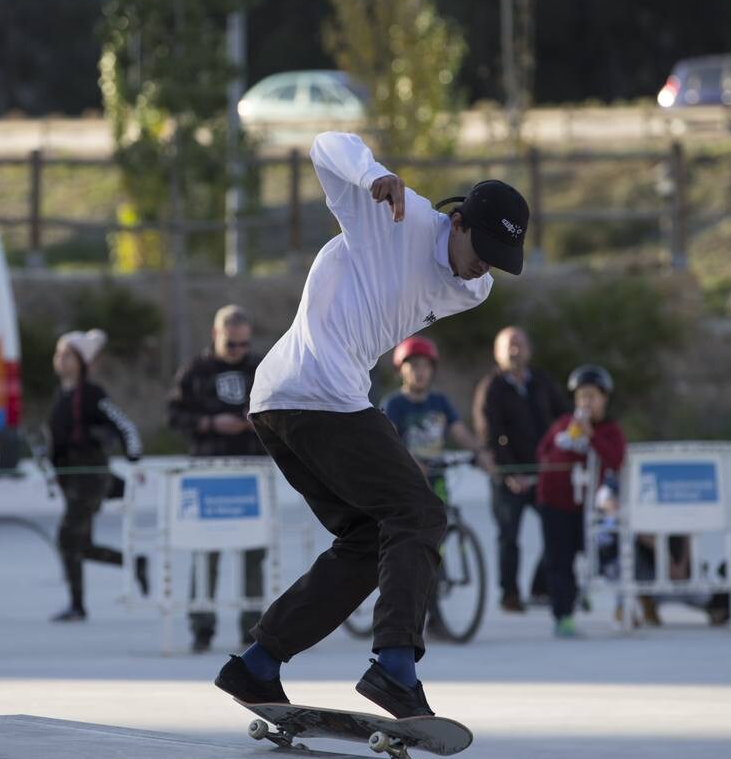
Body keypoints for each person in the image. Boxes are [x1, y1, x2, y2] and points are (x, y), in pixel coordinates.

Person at [215, 130, 530, 719]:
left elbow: (457, 277)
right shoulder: (395, 218)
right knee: (419, 513)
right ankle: (394, 666)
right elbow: (325, 145)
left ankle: (257, 664)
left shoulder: (475, 289)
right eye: (480, 247)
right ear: (456, 221)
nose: (483, 267)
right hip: (318, 391)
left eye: (496, 259)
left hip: (282, 402)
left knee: (368, 539)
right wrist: (370, 175)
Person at [167, 304, 269, 652]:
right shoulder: (195, 370)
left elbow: (281, 408)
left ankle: (251, 624)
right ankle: (202, 625)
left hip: (251, 470)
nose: (238, 352)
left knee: (254, 551)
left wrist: (258, 421)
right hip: (208, 471)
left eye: (243, 344)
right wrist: (211, 423)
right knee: (205, 550)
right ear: (216, 335)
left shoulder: (260, 368)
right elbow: (174, 415)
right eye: (231, 344)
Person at [46, 329, 147, 622]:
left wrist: (135, 461)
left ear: (81, 361)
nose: (61, 360)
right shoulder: (61, 396)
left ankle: (77, 606)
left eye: (67, 354)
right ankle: (135, 563)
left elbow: (125, 426)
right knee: (82, 545)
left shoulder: (92, 394)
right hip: (71, 478)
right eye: (59, 353)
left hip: (90, 478)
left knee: (67, 538)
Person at [473, 327, 570, 612]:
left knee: (558, 529)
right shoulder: (490, 388)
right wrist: (508, 473)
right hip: (509, 479)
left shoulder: (541, 381)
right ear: (497, 352)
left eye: (520, 344)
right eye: (509, 345)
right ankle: (510, 595)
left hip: (543, 475)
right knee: (509, 538)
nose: (515, 350)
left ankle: (541, 587)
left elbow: (563, 418)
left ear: (529, 349)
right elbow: (488, 433)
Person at [535, 364, 626, 638]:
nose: (586, 402)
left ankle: (620, 604)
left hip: (590, 510)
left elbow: (616, 459)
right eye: (581, 396)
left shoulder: (609, 430)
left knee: (603, 559)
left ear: (604, 399)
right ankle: (563, 615)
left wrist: (591, 435)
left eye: (592, 396)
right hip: (554, 505)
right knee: (559, 562)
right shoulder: (563, 424)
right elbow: (543, 452)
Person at [381, 335, 495, 496]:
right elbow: (389, 441)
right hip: (405, 479)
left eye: (425, 366)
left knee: (443, 514)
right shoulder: (393, 403)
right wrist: (411, 462)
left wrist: (480, 451)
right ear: (401, 369)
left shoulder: (440, 401)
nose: (420, 372)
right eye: (414, 365)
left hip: (437, 475)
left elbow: (460, 432)